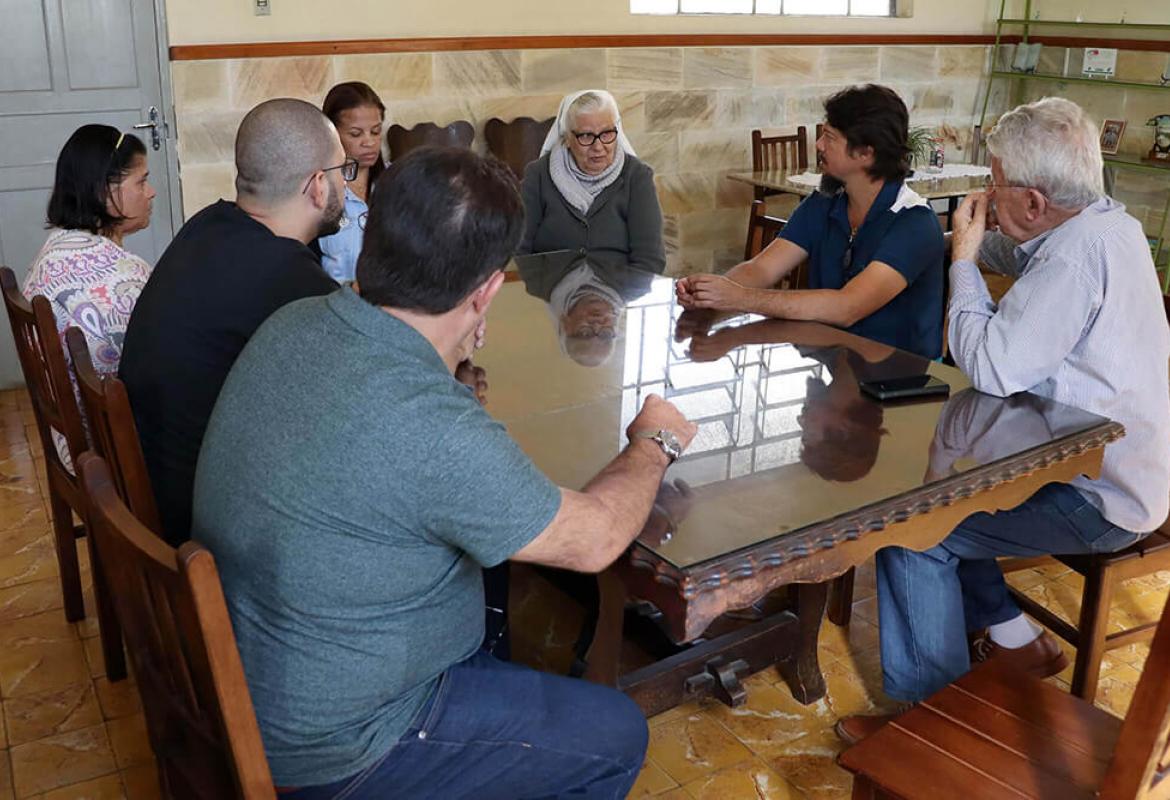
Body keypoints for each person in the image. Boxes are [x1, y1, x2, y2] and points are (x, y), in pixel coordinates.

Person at [191, 146, 697, 798]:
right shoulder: (428, 425)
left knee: (489, 569)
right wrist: (655, 440)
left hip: (257, 669)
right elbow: (594, 538)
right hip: (342, 746)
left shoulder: (293, 321)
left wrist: (450, 359)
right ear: (487, 289)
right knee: (615, 732)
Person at [836, 97, 1170, 743]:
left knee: (915, 532)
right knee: (952, 495)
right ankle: (1020, 642)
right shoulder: (1106, 225)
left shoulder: (1073, 260)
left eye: (994, 181)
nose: (987, 190)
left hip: (1103, 495)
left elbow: (990, 366)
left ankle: (931, 721)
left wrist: (963, 263)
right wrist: (960, 238)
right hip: (1112, 459)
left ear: (1036, 201)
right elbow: (1033, 261)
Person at [119, 98, 342, 545]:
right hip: (206, 527)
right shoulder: (287, 277)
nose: (346, 185)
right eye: (344, 171)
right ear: (318, 185)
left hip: (153, 491)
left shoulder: (208, 223)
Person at [676, 84, 946, 360]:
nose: (818, 145)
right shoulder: (825, 200)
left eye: (829, 137)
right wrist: (708, 296)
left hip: (902, 381)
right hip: (834, 363)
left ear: (866, 153)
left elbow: (846, 308)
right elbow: (762, 269)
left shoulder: (914, 223)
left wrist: (738, 298)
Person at [22, 124, 155, 469]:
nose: (151, 192)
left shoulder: (51, 252)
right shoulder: (127, 273)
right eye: (141, 182)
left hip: (70, 440)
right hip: (108, 449)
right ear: (103, 191)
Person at [518, 90, 665, 274]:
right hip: (549, 290)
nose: (598, 147)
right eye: (586, 136)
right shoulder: (538, 175)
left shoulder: (637, 177)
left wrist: (616, 295)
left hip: (618, 291)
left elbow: (650, 259)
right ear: (568, 138)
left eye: (606, 134)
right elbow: (518, 249)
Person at [315, 81, 387, 283]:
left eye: (376, 131)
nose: (369, 142)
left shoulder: (397, 183)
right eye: (355, 134)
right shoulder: (317, 190)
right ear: (332, 133)